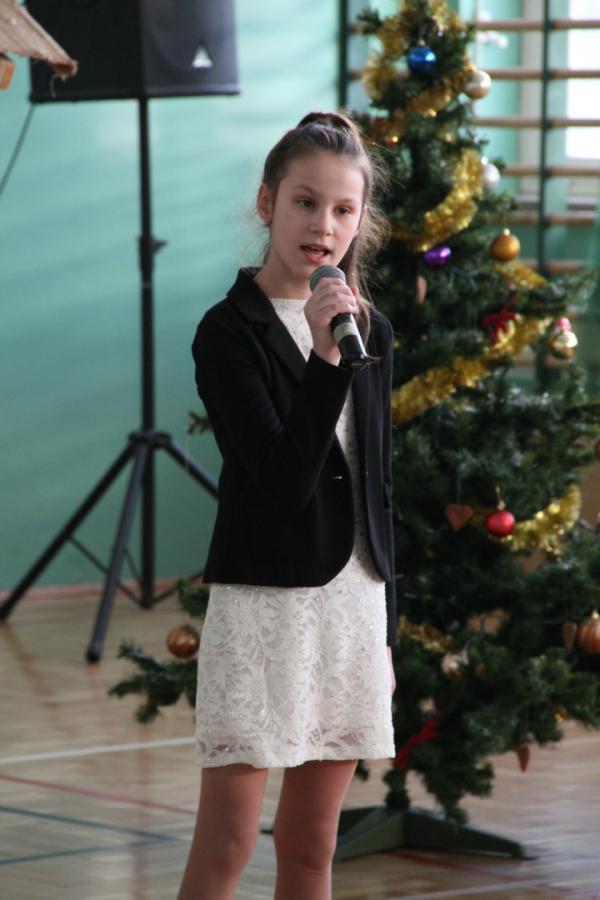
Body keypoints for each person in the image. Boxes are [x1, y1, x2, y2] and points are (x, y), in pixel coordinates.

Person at [177, 111, 397, 900]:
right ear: (267, 202)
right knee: (229, 845)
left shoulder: (371, 330)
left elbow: (375, 488)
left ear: (360, 221)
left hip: (351, 607)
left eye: (343, 209)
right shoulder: (227, 333)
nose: (323, 226)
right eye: (305, 202)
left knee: (311, 849)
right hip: (265, 605)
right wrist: (325, 363)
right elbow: (280, 482)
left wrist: (386, 628)